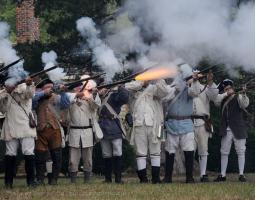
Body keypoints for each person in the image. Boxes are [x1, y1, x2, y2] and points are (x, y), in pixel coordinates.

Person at [32, 78, 83, 185]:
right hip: (41, 130)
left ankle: (54, 180)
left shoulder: (58, 97)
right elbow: (32, 101)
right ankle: (40, 179)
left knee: (57, 157)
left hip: (55, 130)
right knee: (40, 157)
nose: (50, 90)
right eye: (47, 88)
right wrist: (43, 93)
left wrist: (63, 91)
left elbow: (65, 105)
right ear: (42, 89)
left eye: (51, 87)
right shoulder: (37, 97)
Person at [125, 79, 173, 183]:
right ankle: (143, 179)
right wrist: (142, 82)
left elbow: (165, 91)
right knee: (141, 152)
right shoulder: (135, 88)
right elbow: (127, 86)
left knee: (156, 152)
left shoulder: (156, 87)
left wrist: (158, 79)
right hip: (139, 125)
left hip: (158, 126)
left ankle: (156, 179)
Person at [164, 64, 200, 183]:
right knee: (170, 151)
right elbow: (165, 97)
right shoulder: (171, 87)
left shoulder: (189, 87)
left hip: (186, 123)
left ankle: (189, 178)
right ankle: (168, 178)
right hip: (172, 123)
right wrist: (176, 88)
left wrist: (194, 81)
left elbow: (195, 93)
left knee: (189, 151)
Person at [0, 77, 37, 188]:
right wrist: (7, 90)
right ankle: (8, 182)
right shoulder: (5, 92)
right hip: (10, 126)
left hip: (25, 126)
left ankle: (31, 182)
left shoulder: (24, 87)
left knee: (28, 153)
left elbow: (29, 94)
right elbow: (2, 109)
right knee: (10, 154)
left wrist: (30, 84)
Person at [67, 76, 101, 183]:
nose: (79, 89)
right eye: (77, 88)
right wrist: (76, 96)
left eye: (80, 87)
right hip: (74, 131)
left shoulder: (90, 98)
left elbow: (96, 106)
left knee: (88, 159)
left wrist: (93, 95)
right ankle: (73, 180)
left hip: (87, 131)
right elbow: (65, 100)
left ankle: (87, 180)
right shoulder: (70, 98)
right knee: (73, 160)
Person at [214, 79, 249, 182]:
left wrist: (243, 93)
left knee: (241, 151)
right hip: (226, 128)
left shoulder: (238, 96)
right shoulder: (221, 98)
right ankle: (223, 175)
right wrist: (225, 94)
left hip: (238, 128)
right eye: (225, 88)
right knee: (224, 152)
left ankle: (241, 174)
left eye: (229, 88)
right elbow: (216, 101)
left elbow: (244, 104)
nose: (228, 89)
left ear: (232, 87)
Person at [98, 85, 129, 183]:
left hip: (114, 125)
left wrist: (121, 87)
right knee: (106, 153)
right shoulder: (98, 97)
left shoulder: (114, 95)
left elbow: (124, 98)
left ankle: (118, 179)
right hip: (102, 126)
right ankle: (108, 178)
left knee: (117, 152)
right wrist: (98, 94)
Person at [192, 70, 218, 182]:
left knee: (203, 149)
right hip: (189, 122)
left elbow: (214, 95)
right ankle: (190, 175)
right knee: (189, 150)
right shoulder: (189, 87)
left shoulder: (205, 88)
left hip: (203, 122)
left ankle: (203, 174)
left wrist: (210, 81)